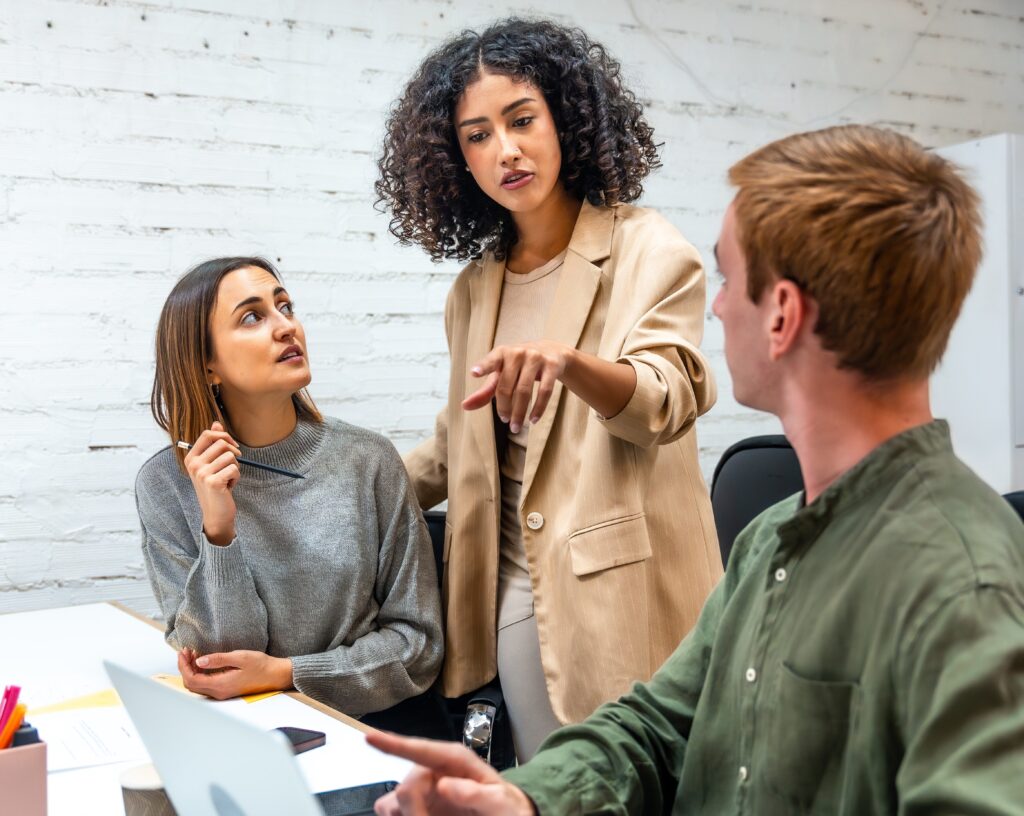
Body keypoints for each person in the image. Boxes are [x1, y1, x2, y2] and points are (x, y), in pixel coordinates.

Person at [368, 124, 1024, 814]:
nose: (715, 304)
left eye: (729, 279)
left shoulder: (963, 587)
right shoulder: (772, 541)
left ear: (782, 317)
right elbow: (656, 729)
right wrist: (523, 801)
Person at [375, 17, 721, 760]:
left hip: (611, 583)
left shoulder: (647, 249)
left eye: (522, 119)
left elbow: (666, 399)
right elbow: (457, 443)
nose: (504, 149)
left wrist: (569, 363)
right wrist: (340, 490)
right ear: (456, 159)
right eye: (476, 135)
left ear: (564, 117)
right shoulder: (476, 288)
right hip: (504, 583)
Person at [135, 257, 444, 726]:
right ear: (207, 365)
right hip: (239, 734)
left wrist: (287, 673)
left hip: (363, 734)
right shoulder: (165, 484)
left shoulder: (368, 460)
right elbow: (219, 663)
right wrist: (218, 529)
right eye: (252, 316)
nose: (285, 327)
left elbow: (417, 645)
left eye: (285, 307)